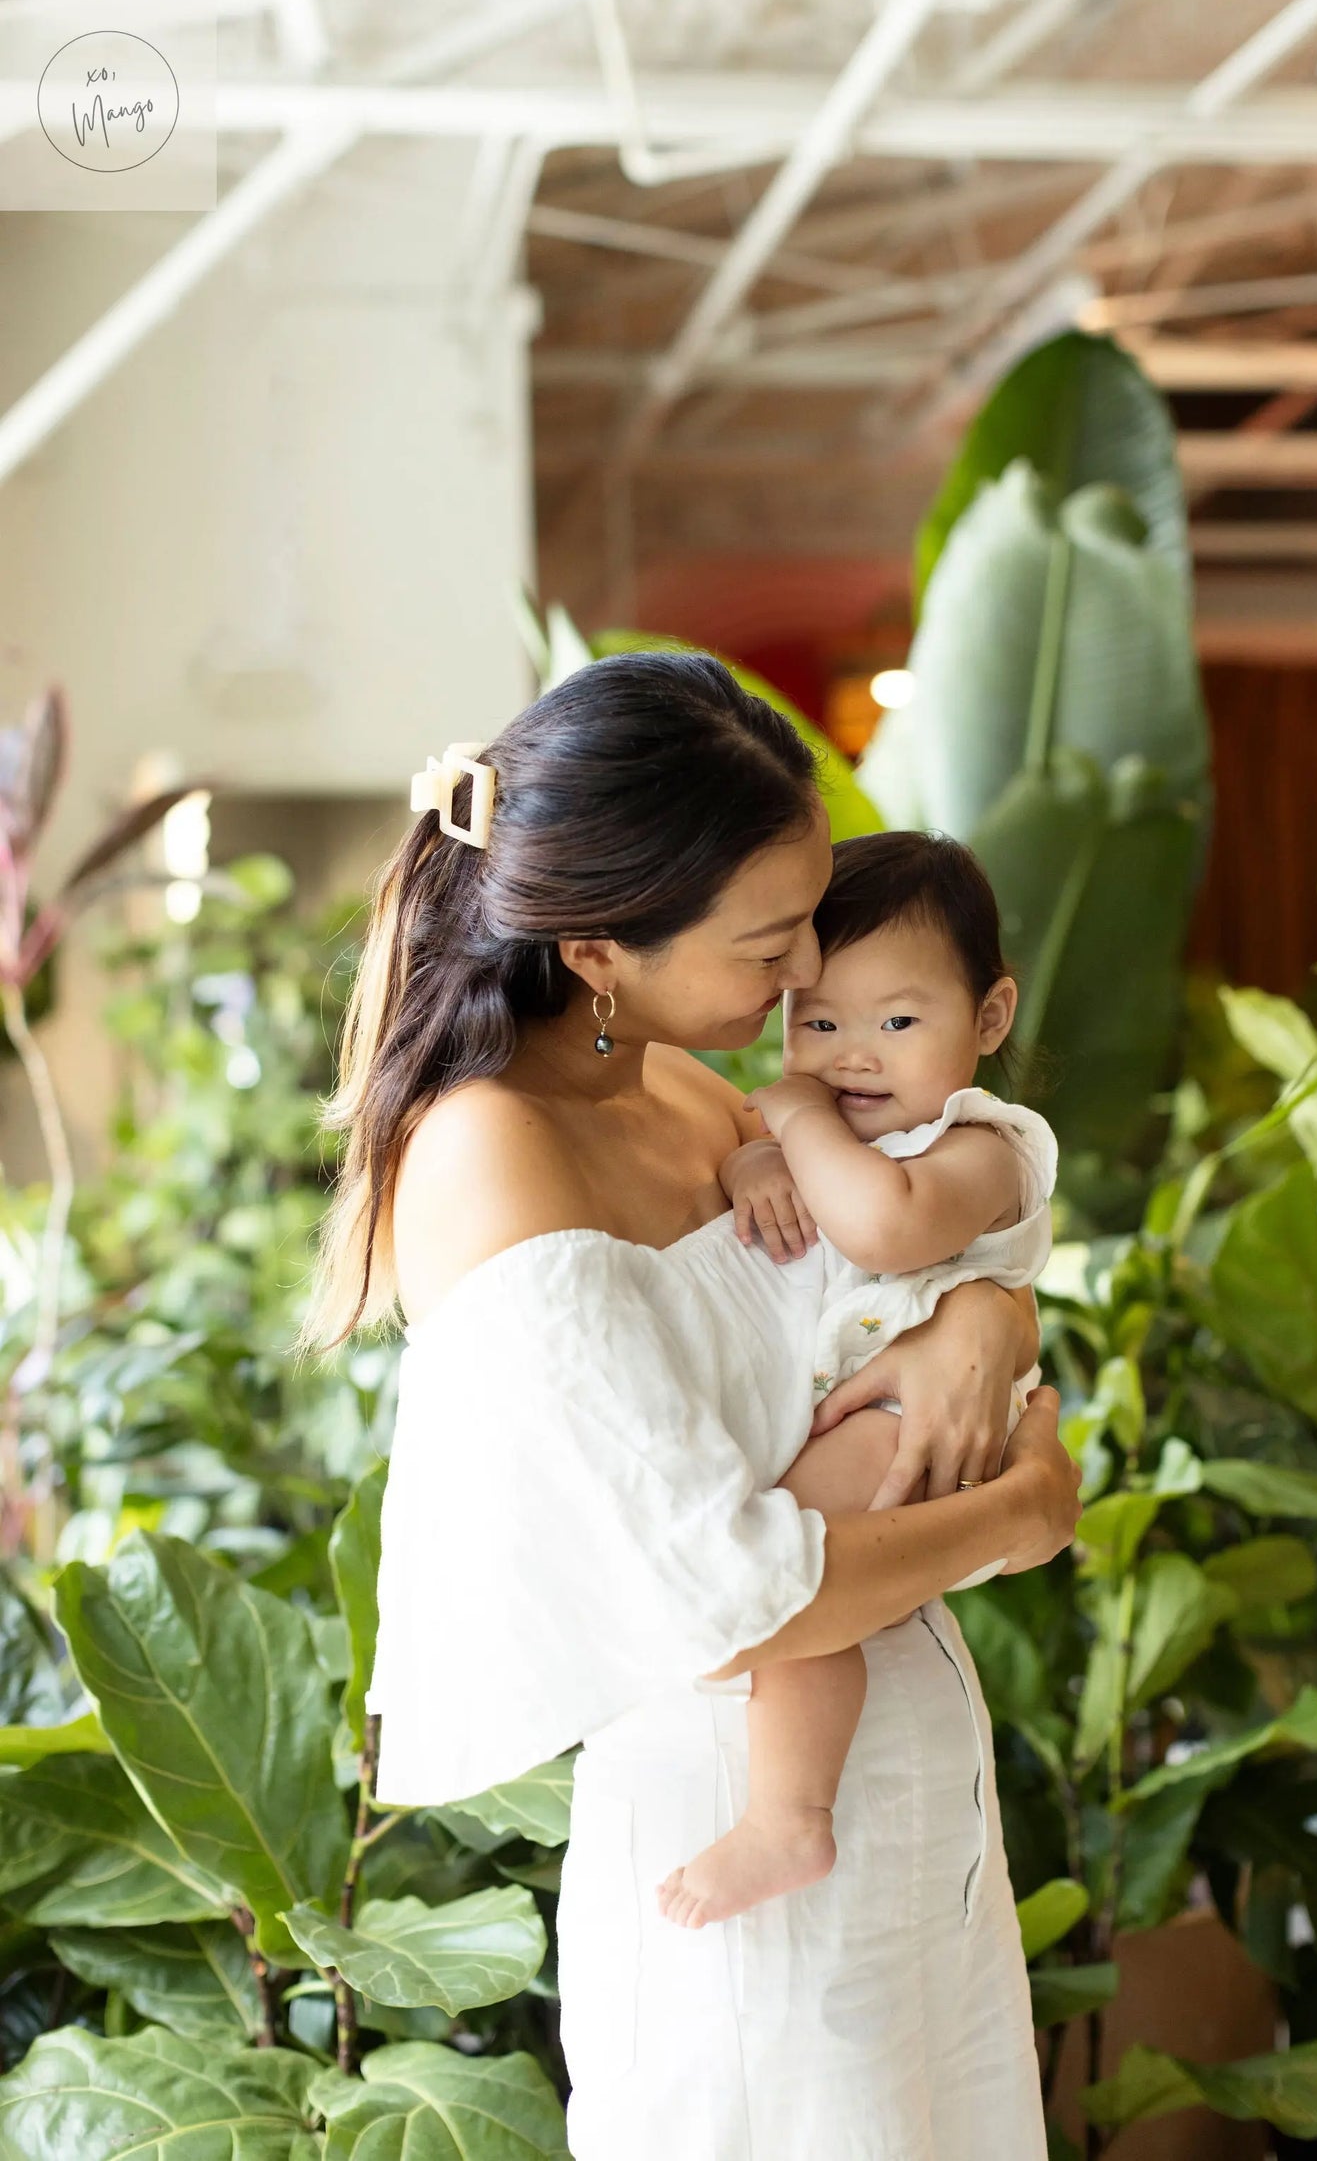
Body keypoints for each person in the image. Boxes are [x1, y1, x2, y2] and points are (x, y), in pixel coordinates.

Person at [302, 652, 1081, 2160]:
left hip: (913, 1770)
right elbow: (729, 1604)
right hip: (743, 1811)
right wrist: (1020, 1507)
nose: (808, 984)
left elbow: (901, 1274)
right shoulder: (490, 1151)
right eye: (771, 940)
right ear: (601, 947)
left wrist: (988, 1318)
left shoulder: (685, 1086)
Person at [658, 829, 1057, 1932]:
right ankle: (790, 1807)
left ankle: (788, 1814)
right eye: (818, 1022)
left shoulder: (981, 1147)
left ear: (986, 1018)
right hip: (865, 1405)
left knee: (795, 1577)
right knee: (808, 1602)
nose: (851, 1054)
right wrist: (750, 1161)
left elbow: (883, 1229)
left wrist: (780, 1115)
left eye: (896, 1020)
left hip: (906, 1424)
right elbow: (799, 1191)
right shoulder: (831, 1133)